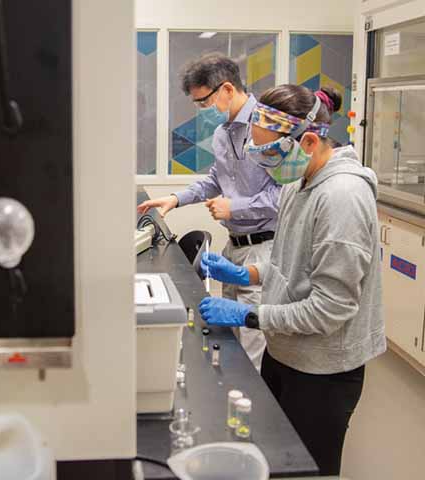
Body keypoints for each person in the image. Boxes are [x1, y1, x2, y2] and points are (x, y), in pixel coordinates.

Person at [198, 85, 385, 475]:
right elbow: (294, 261)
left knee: (305, 469)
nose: (266, 166)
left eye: (270, 154)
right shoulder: (297, 183)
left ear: (309, 141)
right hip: (285, 353)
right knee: (274, 456)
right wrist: (247, 272)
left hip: (323, 369)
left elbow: (330, 308)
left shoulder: (342, 197)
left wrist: (251, 316)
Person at [136, 53, 279, 370]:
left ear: (227, 89)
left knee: (254, 350)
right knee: (230, 341)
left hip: (266, 249)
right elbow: (217, 178)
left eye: (205, 101)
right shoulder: (223, 132)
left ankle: (250, 414)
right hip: (235, 246)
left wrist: (234, 206)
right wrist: (176, 199)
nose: (204, 110)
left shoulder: (267, 128)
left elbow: (286, 195)